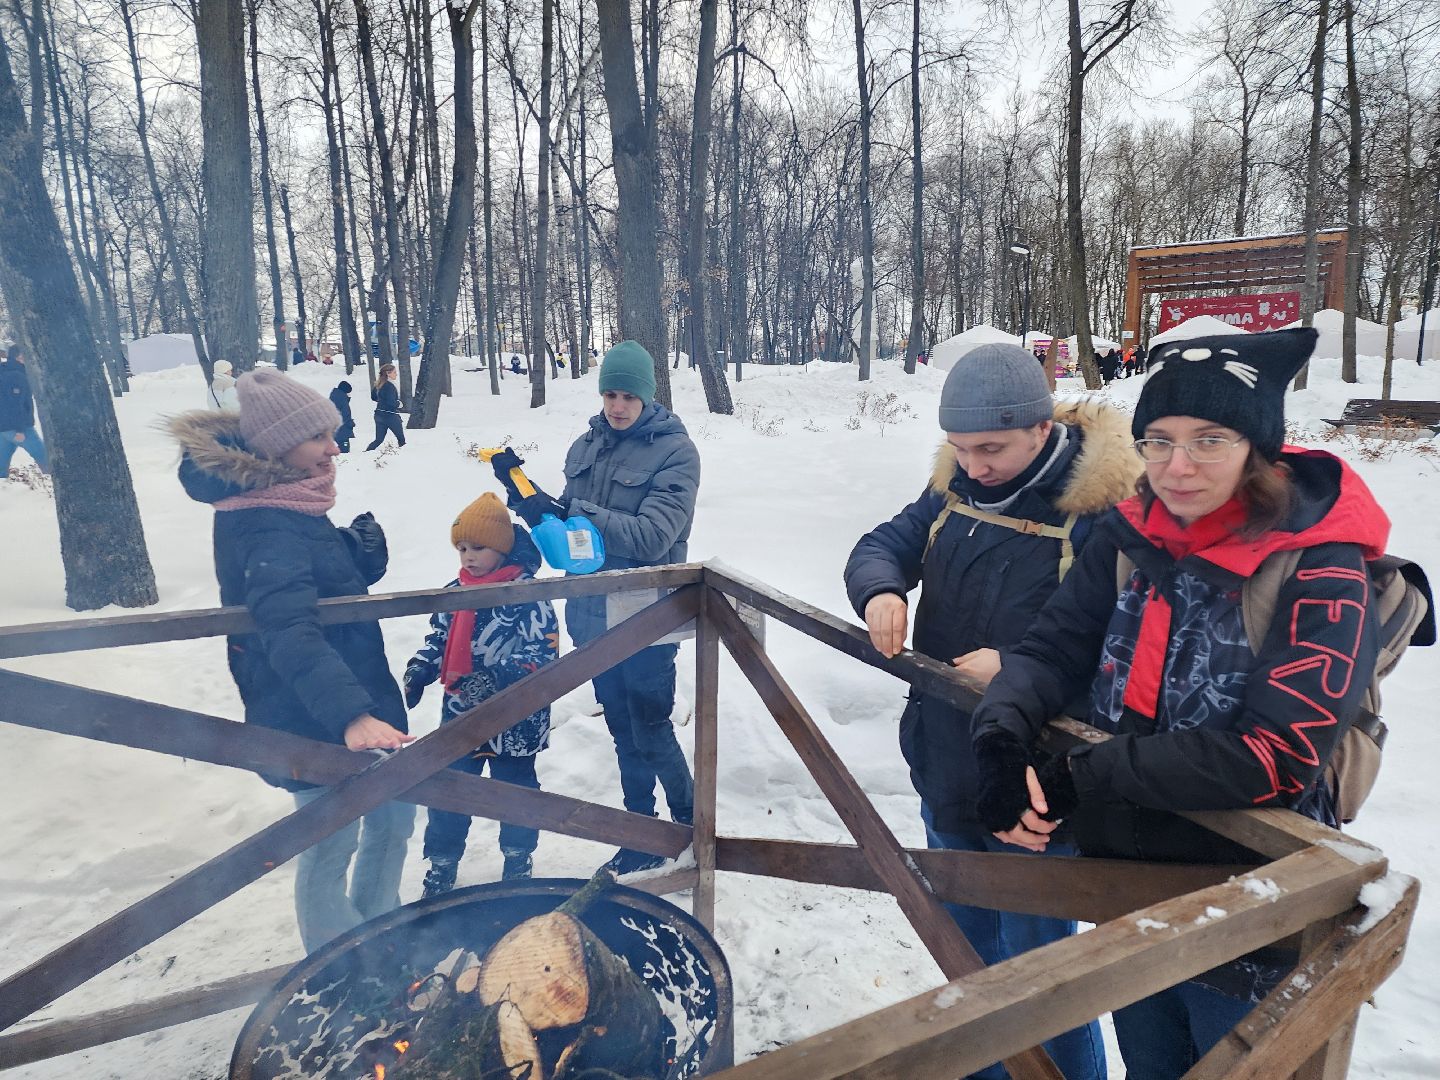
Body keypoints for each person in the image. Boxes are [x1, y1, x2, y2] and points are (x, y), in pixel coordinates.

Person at [970, 327, 1388, 1079]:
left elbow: (1279, 755)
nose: (1177, 467)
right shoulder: (1131, 535)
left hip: (1258, 899)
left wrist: (1084, 777)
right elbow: (1050, 650)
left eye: (1210, 440)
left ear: (1258, 446)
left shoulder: (1324, 568)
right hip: (1125, 884)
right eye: (1157, 441)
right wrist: (1000, 737)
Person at [844, 342, 1134, 1080]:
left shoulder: (1101, 518)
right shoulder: (954, 492)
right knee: (964, 953)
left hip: (1033, 782)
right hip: (945, 760)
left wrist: (1014, 664)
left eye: (991, 448)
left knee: (1039, 976)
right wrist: (881, 589)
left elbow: (1120, 643)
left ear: (1041, 428)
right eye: (960, 448)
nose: (975, 465)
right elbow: (884, 543)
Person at [169, 369, 416, 953]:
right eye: (319, 438)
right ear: (277, 447)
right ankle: (335, 965)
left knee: (393, 815)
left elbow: (307, 586)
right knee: (331, 837)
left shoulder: (288, 502)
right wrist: (350, 716)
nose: (335, 448)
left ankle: (383, 936)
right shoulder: (264, 518)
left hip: (347, 692)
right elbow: (287, 627)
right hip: (312, 711)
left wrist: (355, 554)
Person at [491, 340, 700, 876]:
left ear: (647, 397)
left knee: (651, 728)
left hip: (647, 618)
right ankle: (640, 832)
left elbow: (654, 538)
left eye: (628, 395)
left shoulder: (676, 452)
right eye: (610, 392)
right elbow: (573, 539)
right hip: (591, 615)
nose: (617, 405)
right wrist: (528, 498)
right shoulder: (585, 448)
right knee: (621, 731)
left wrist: (571, 507)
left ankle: (688, 827)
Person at [403, 493, 559, 896]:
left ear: (502, 548)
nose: (468, 556)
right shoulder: (457, 590)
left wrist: (496, 678)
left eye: (478, 548)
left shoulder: (527, 594)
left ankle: (518, 857)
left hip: (516, 718)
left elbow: (543, 651)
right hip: (461, 713)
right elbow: (439, 637)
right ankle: (441, 864)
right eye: (462, 548)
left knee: (516, 791)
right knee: (451, 788)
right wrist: (421, 667)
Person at [0, 345, 47, 476]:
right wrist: (20, 430)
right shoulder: (18, 375)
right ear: (20, 357)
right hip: (20, 427)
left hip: (3, 428)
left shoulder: (3, 371)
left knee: (1, 470)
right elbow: (16, 404)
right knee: (46, 459)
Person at [365, 363, 406, 450]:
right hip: (390, 416)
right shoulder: (390, 386)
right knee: (401, 439)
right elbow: (391, 402)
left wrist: (382, 401)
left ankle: (366, 453)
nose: (396, 374)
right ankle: (404, 458)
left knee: (378, 440)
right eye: (394, 372)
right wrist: (399, 404)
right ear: (388, 373)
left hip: (379, 415)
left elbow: (373, 397)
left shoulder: (379, 384)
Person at [329, 381, 356, 453]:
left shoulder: (334, 396)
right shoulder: (342, 399)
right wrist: (350, 423)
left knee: (342, 446)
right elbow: (345, 414)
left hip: (334, 427)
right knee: (344, 449)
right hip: (342, 429)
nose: (349, 394)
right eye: (348, 392)